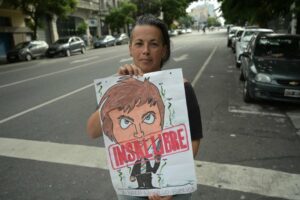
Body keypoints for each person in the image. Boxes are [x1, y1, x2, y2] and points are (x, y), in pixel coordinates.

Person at [86, 14, 203, 200]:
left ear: (164, 50)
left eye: (154, 44)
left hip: (173, 191)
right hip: (131, 191)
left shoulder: (182, 87)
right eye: (139, 43)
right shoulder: (116, 87)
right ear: (130, 48)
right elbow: (92, 131)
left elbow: (194, 140)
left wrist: (171, 184)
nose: (146, 51)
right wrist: (120, 87)